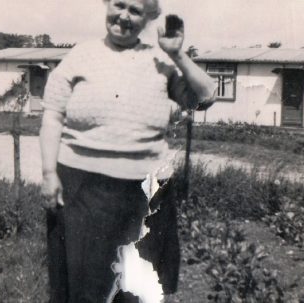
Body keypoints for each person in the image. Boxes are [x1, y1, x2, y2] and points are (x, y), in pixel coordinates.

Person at [39, 0, 216, 302]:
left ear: (148, 18)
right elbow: (52, 115)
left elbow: (206, 96)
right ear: (107, 5)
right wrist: (48, 173)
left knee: (136, 289)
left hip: (146, 194)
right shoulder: (81, 55)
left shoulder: (161, 61)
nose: (124, 16)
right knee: (85, 289)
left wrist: (177, 54)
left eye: (135, 10)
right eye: (118, 4)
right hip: (82, 189)